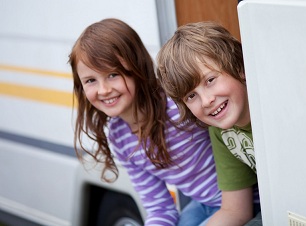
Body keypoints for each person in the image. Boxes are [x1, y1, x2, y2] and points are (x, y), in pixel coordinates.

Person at [68, 18, 222, 226]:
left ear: (136, 67)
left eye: (113, 74)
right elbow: (159, 207)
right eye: (90, 80)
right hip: (203, 204)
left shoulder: (176, 106)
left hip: (244, 199)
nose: (103, 90)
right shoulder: (120, 137)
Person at [156, 21, 262, 226]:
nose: (206, 101)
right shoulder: (221, 132)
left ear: (239, 67)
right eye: (191, 96)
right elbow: (235, 210)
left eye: (210, 80)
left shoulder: (271, 113)